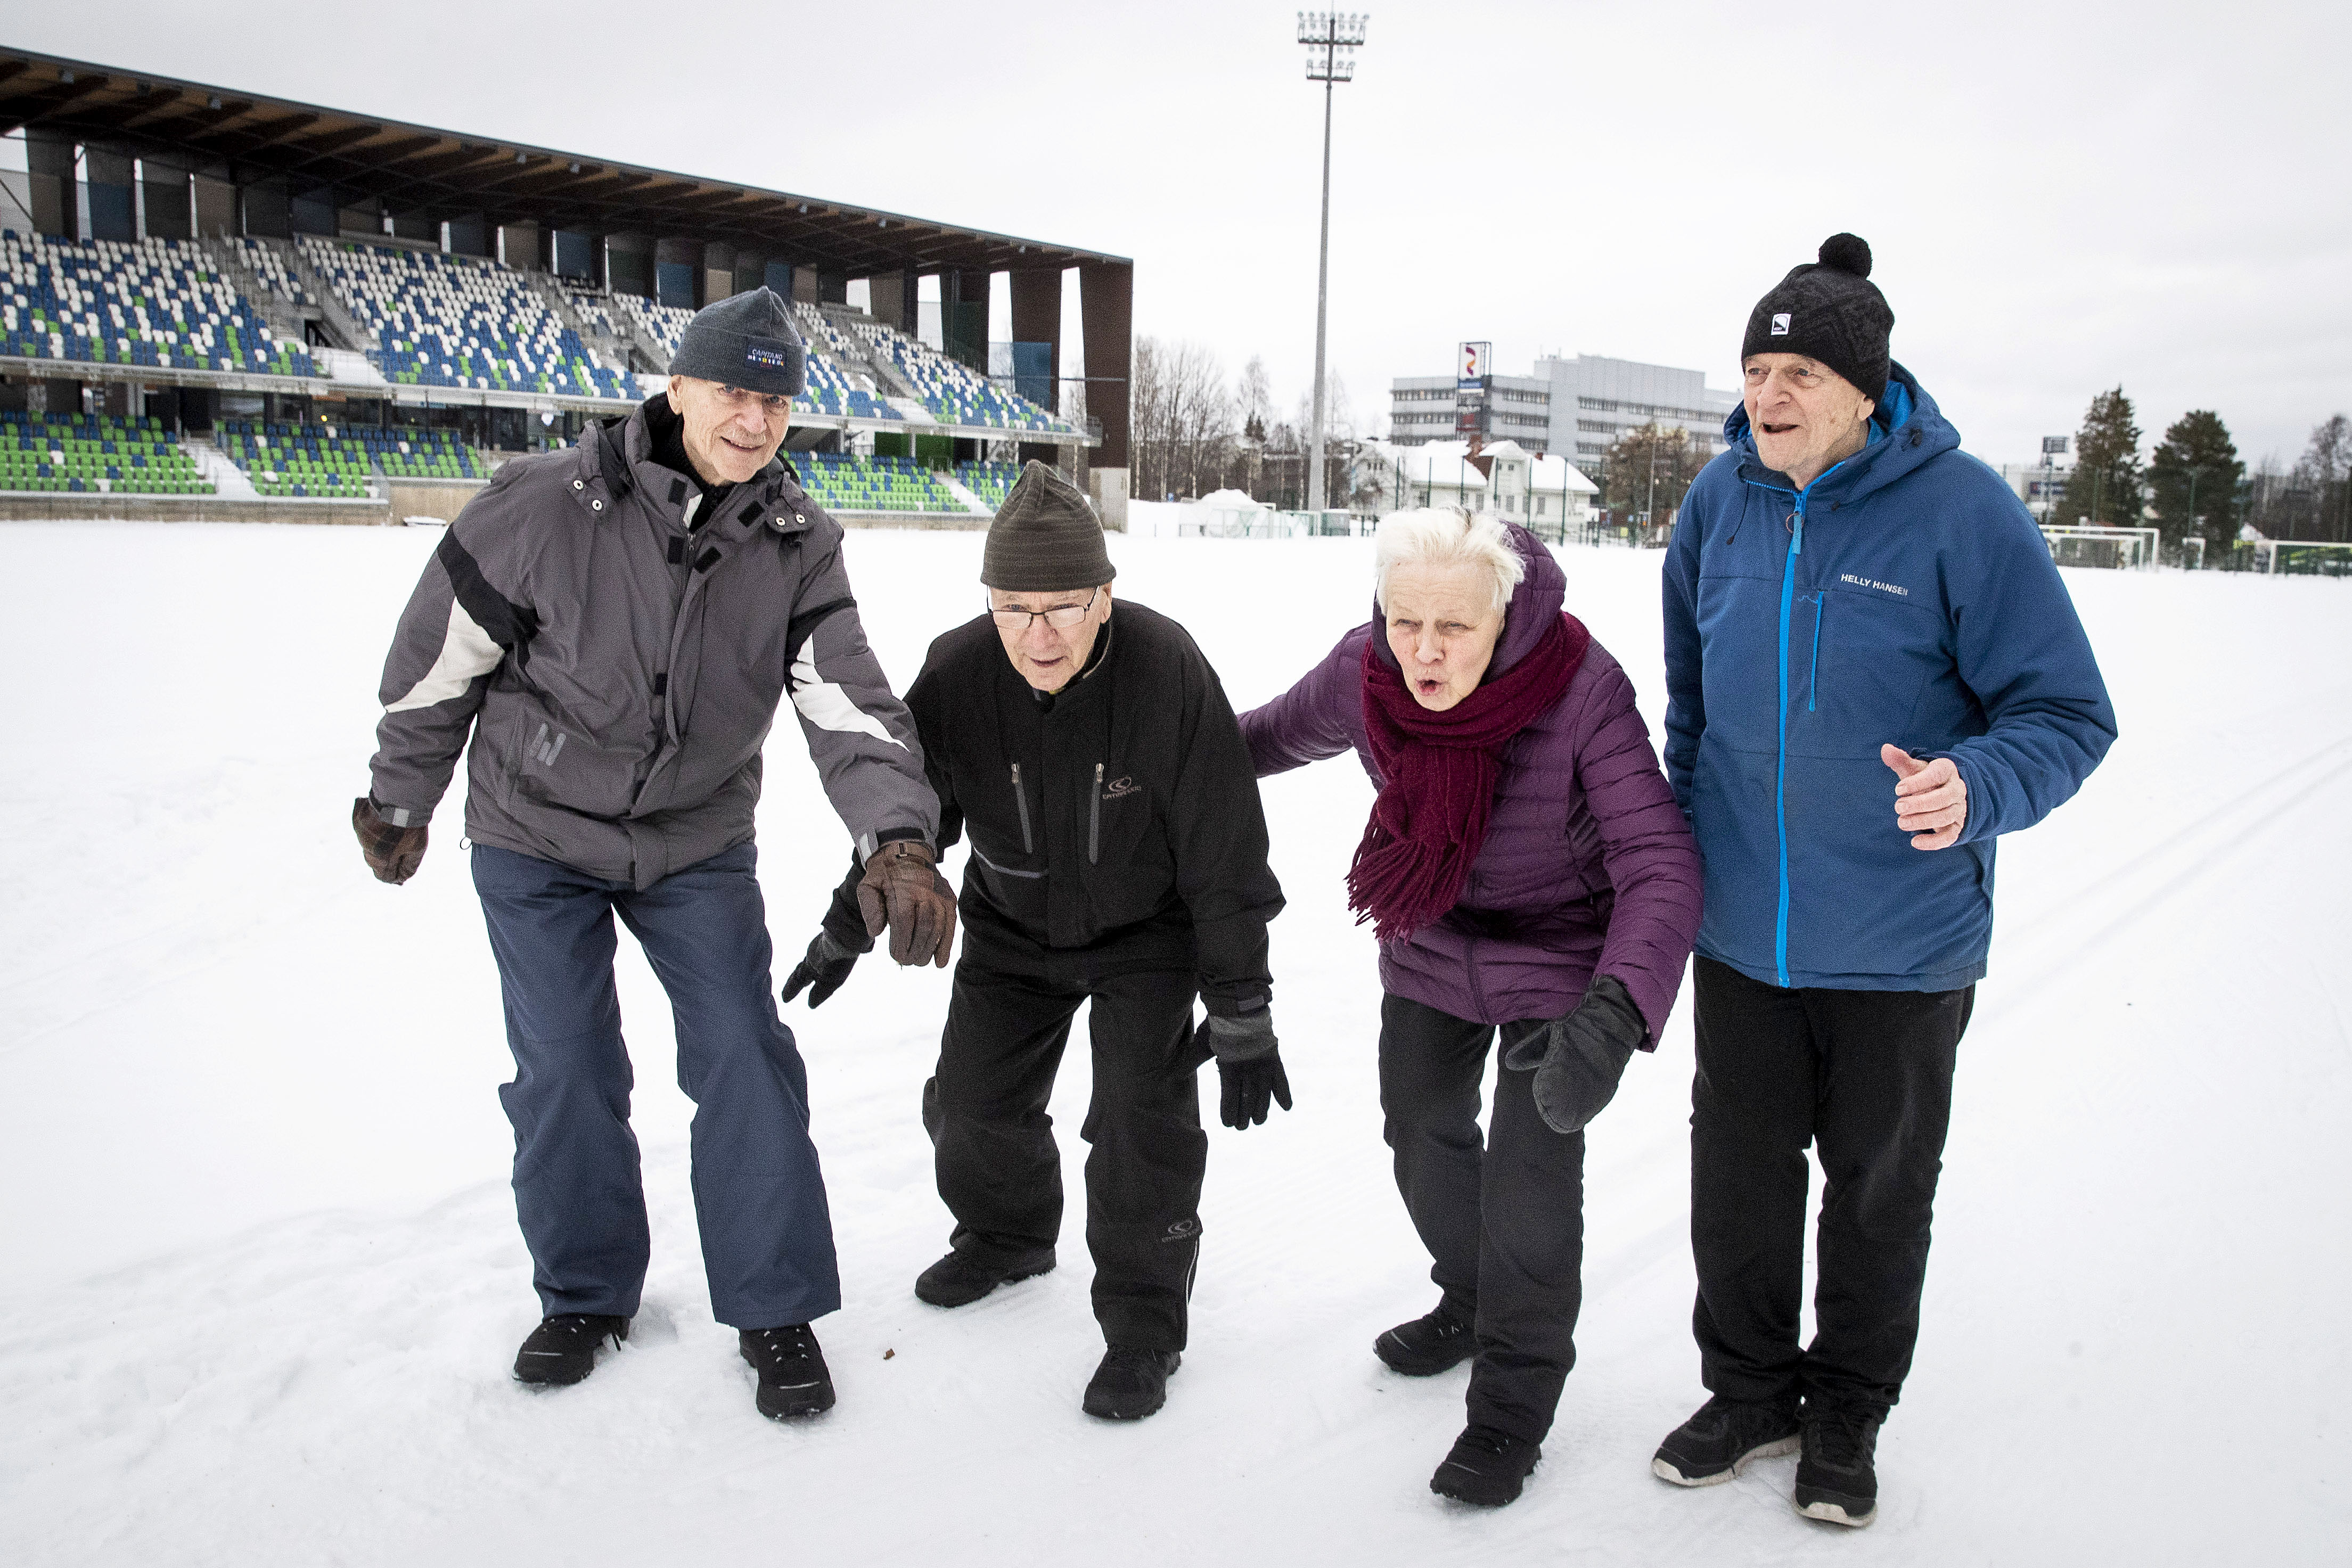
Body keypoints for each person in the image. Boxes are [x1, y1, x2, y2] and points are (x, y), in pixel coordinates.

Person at [353, 288, 956, 1423]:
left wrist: (899, 840)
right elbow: (441, 657)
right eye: (733, 391)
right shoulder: (542, 505)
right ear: (676, 387)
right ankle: (585, 1294)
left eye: (777, 401)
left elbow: (849, 705)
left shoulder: (796, 543)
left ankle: (774, 1306)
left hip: (693, 840)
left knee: (743, 1050)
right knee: (567, 1063)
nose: (755, 420)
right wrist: (400, 794)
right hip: (536, 829)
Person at [1651, 234, 2117, 1526]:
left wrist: (1975, 783)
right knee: (1736, 1181)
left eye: (1799, 372)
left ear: (1866, 390)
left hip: (1902, 940)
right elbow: (1690, 712)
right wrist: (1671, 859)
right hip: (1739, 930)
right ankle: (1749, 1391)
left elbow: (2068, 714)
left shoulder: (1962, 510)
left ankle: (1848, 1409)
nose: (1769, 394)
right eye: (1756, 370)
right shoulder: (1718, 503)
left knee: (1878, 1188)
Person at [782, 461, 1289, 1423]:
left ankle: (1143, 1324)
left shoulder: (1167, 669)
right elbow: (909, 827)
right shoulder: (960, 671)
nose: (1037, 634)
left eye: (1061, 607)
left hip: (1146, 934)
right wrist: (845, 927)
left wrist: (1242, 1008)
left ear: (1105, 595)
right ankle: (1008, 1236)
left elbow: (1224, 851)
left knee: (1139, 1123)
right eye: (1013, 608)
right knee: (971, 1103)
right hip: (1013, 925)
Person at [1238, 508, 1702, 1507]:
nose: (1423, 650)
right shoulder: (1364, 669)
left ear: (1504, 616)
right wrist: (1159, 761)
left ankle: (1510, 1407)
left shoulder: (1582, 687)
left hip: (1563, 951)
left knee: (1530, 1179)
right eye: (1405, 621)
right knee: (1419, 1128)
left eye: (1453, 626)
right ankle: (1470, 1291)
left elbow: (1658, 859)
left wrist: (1616, 1011)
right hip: (1432, 922)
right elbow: (1264, 737)